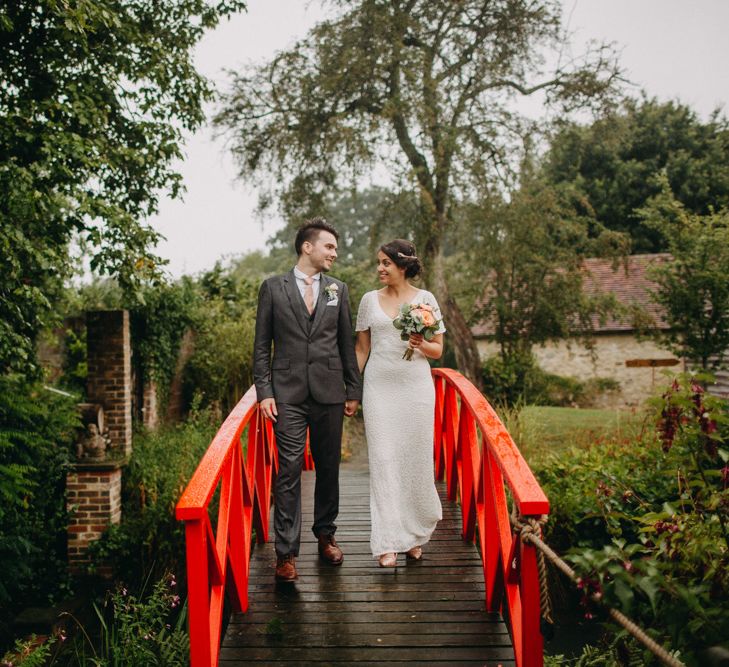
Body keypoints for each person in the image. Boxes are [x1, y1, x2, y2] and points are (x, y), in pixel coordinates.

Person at [253, 218, 362, 582]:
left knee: (329, 467)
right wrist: (264, 392)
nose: (334, 253)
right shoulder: (272, 288)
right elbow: (260, 348)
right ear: (307, 247)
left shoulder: (338, 290)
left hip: (330, 392)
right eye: (329, 246)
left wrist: (353, 389)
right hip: (288, 395)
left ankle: (325, 535)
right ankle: (286, 554)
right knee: (288, 471)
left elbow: (346, 344)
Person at [354, 239, 445, 567]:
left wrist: (420, 343)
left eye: (385, 263)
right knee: (384, 461)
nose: (379, 268)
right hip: (379, 387)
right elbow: (362, 349)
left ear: (403, 266)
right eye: (378, 262)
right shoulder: (368, 301)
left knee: (415, 460)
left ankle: (415, 536)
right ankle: (388, 541)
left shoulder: (425, 300)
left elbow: (438, 350)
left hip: (416, 389)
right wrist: (351, 388)